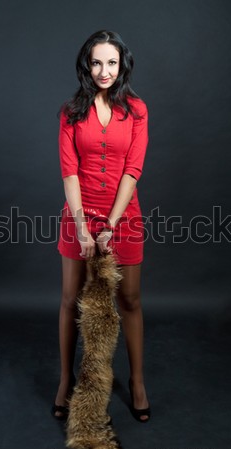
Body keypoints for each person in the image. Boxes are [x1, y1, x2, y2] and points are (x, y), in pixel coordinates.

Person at [52, 30, 150, 423]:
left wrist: (111, 222)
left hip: (123, 217)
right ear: (86, 65)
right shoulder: (70, 112)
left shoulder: (138, 110)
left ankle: (138, 381)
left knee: (129, 300)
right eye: (96, 62)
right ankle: (64, 379)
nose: (104, 70)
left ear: (122, 64)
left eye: (111, 62)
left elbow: (133, 169)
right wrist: (81, 225)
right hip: (78, 215)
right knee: (70, 299)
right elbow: (69, 171)